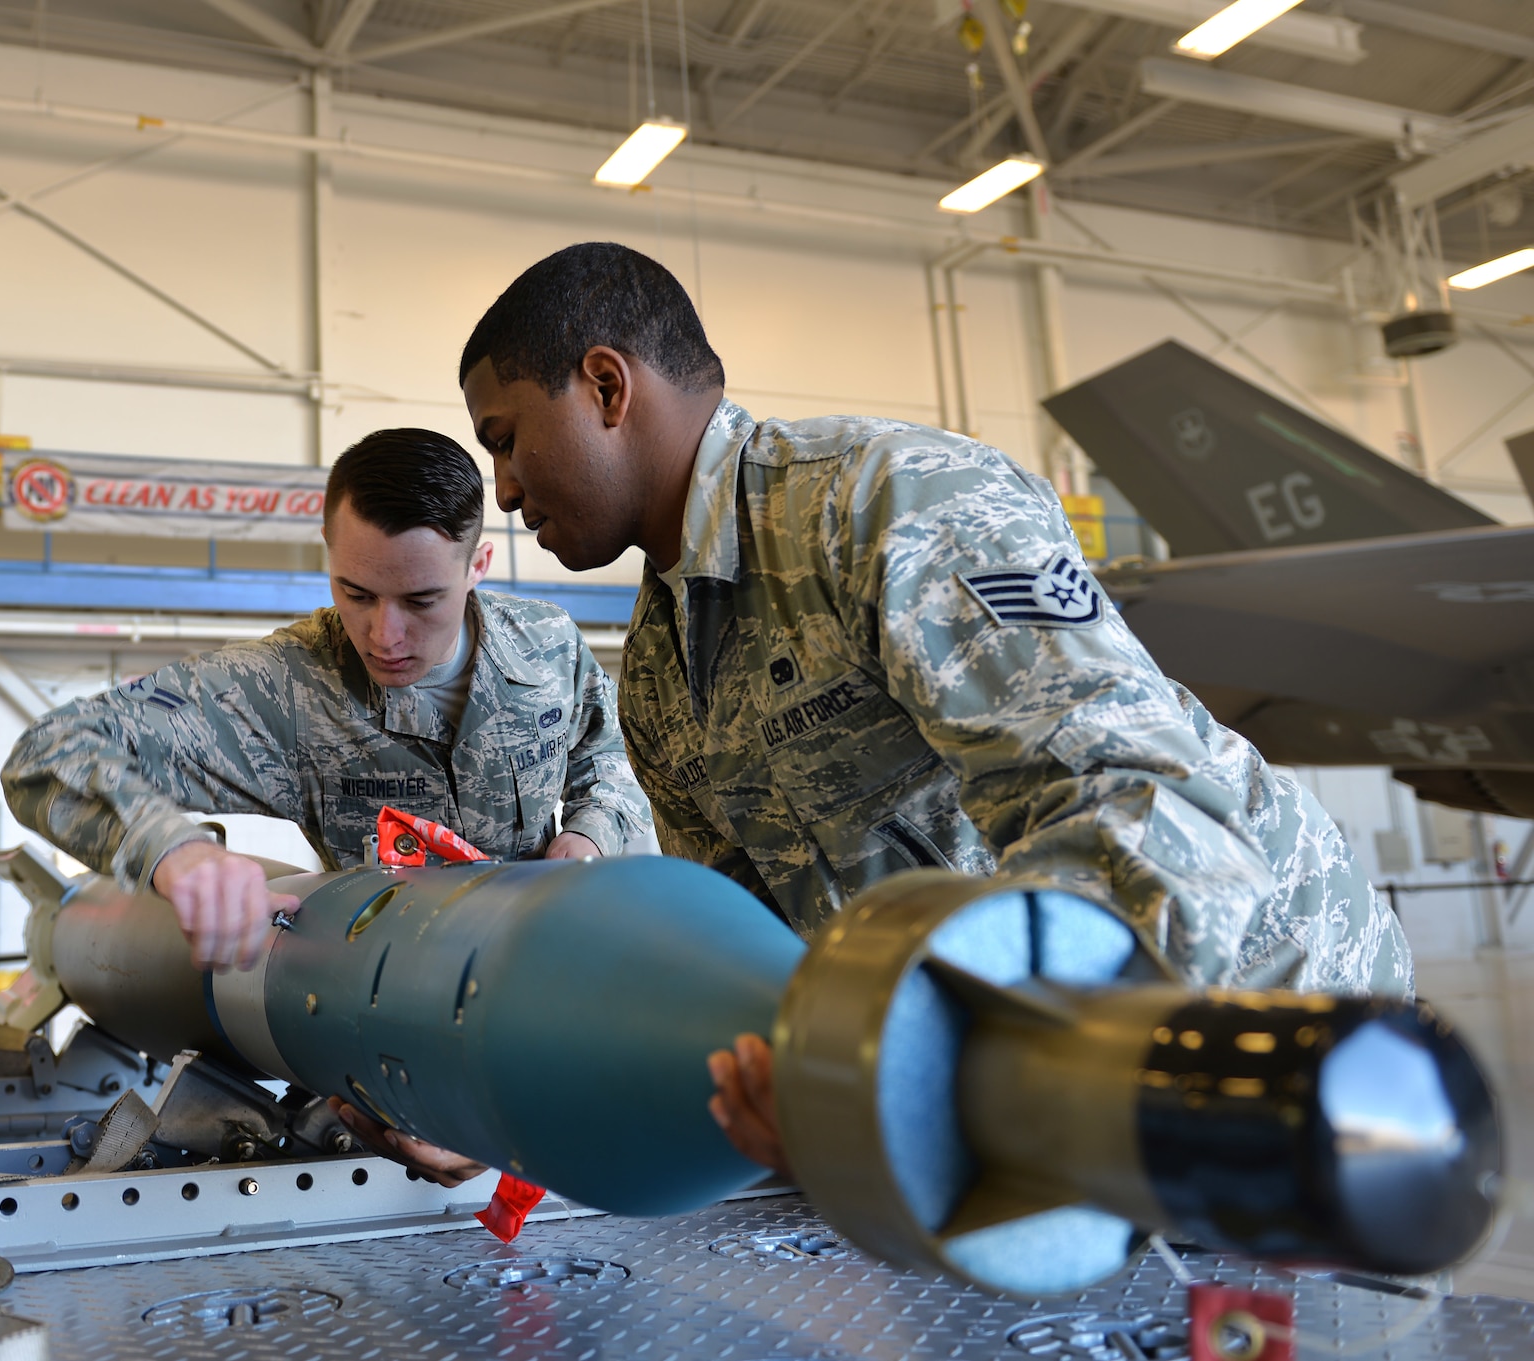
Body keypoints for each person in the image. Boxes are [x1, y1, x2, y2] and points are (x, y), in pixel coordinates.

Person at [457, 241, 1411, 1175]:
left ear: (607, 386)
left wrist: (941, 1072)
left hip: (1265, 1028)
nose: (501, 487)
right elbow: (748, 958)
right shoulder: (661, 677)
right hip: (1025, 1086)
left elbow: (1146, 809)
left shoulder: (890, 504)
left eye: (505, 437)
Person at [2, 426, 653, 1180]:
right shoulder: (288, 689)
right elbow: (45, 755)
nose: (385, 634)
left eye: (421, 599)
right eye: (356, 592)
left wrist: (591, 837)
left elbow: (606, 760)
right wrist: (171, 849)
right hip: (400, 1045)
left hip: (557, 1011)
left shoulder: (547, 649)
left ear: (479, 563)